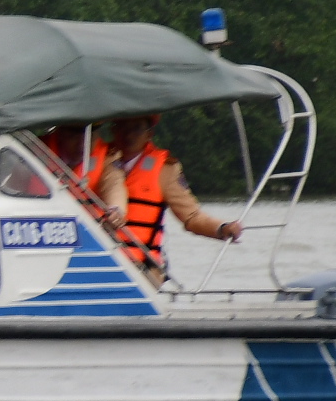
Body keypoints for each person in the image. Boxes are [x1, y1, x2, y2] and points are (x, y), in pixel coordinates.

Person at [95, 114, 240, 281]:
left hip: (140, 268)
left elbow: (192, 216)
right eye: (122, 127)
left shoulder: (166, 169)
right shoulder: (94, 158)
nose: (128, 134)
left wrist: (222, 228)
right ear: (113, 130)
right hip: (95, 260)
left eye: (136, 128)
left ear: (149, 134)